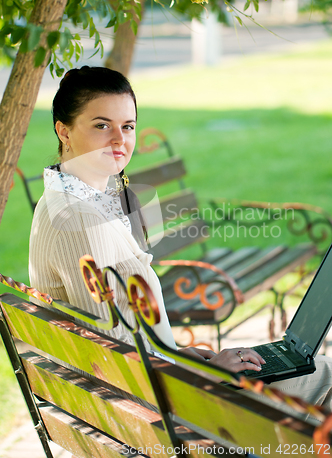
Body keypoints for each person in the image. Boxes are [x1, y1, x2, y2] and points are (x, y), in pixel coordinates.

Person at [29, 66, 332, 412]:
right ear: (63, 131)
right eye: (102, 125)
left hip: (151, 398)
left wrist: (178, 354)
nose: (119, 140)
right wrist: (203, 371)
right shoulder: (77, 219)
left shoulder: (73, 202)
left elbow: (124, 335)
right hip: (156, 415)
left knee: (301, 371)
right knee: (324, 374)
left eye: (127, 126)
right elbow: (117, 354)